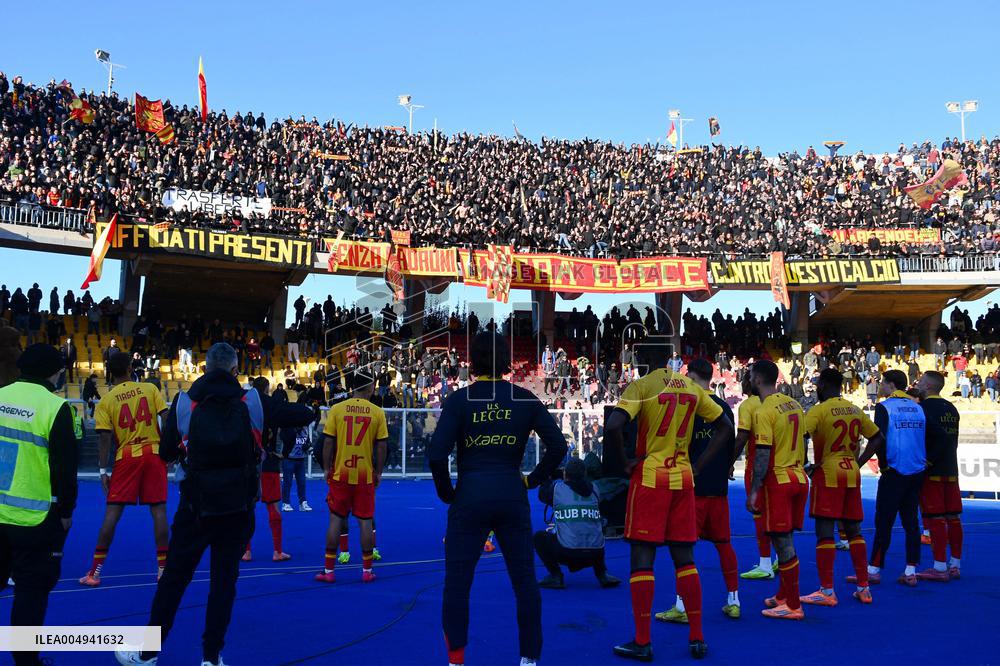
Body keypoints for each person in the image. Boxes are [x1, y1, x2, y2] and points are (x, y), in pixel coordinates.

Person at [116, 343, 264, 666]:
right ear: (236, 369)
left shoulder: (185, 403)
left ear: (205, 368)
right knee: (224, 584)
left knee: (174, 580)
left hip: (195, 507)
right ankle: (212, 657)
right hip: (237, 508)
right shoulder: (251, 401)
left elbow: (167, 452)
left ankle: (147, 653)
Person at [428, 333, 568, 666]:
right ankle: (528, 660)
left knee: (458, 584)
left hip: (471, 494)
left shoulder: (460, 400)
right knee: (524, 582)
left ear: (472, 363)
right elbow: (559, 447)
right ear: (506, 361)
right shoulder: (524, 398)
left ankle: (456, 661)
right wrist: (531, 480)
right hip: (510, 491)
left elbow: (436, 456)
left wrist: (449, 494)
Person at [606, 338, 734, 661]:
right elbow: (725, 426)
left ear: (644, 358)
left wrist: (623, 463)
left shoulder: (643, 385)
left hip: (650, 479)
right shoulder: (690, 388)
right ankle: (697, 637)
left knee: (642, 559)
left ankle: (643, 641)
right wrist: (699, 465)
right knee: (685, 559)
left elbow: (613, 425)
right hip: (683, 479)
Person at [0, 344, 80, 666]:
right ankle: (25, 662)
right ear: (53, 372)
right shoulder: (56, 408)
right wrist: (67, 512)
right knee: (30, 596)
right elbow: (64, 469)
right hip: (34, 520)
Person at [655, 357, 741, 623]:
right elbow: (730, 444)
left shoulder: (689, 405)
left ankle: (681, 606)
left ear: (691, 376)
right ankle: (734, 600)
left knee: (684, 550)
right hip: (719, 489)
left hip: (691, 488)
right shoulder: (723, 408)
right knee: (724, 544)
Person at [79, 352, 170, 587]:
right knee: (158, 510)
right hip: (154, 453)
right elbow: (167, 419)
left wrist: (102, 471)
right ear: (130, 368)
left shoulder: (107, 401)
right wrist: (170, 450)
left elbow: (105, 440)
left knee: (112, 514)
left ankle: (95, 572)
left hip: (126, 457)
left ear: (110, 371)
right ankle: (163, 568)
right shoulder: (150, 389)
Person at [800, 368, 884, 606]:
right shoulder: (855, 409)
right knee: (854, 530)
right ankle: (863, 587)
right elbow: (877, 437)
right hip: (851, 472)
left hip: (828, 473)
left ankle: (826, 591)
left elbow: (800, 435)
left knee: (825, 532)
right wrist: (860, 462)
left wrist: (806, 465)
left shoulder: (818, 411)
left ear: (824, 385)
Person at [746, 359, 808, 621]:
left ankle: (793, 605)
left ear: (758, 379)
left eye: (750, 375)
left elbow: (762, 453)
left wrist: (754, 489)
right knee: (786, 539)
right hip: (799, 477)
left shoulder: (764, 411)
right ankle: (784, 595)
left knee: (782, 544)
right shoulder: (793, 403)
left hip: (779, 482)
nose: (748, 378)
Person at [315, 371, 388, 584]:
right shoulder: (377, 412)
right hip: (364, 475)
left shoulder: (337, 409)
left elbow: (328, 442)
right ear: (371, 387)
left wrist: (327, 469)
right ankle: (367, 570)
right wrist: (379, 471)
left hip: (341, 473)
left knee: (335, 519)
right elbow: (382, 446)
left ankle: (329, 571)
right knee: (365, 520)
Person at [858, 369, 926, 587]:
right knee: (911, 523)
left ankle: (874, 570)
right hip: (916, 471)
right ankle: (911, 570)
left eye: (883, 382)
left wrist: (859, 462)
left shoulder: (884, 407)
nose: (880, 386)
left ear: (890, 385)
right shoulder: (917, 408)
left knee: (884, 521)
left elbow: (878, 438)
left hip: (894, 470)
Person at [242, 376, 313, 563]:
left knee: (247, 507)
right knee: (273, 507)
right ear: (267, 389)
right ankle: (277, 551)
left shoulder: (243, 406)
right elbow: (290, 429)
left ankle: (247, 551)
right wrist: (285, 452)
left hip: (248, 462)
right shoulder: (272, 406)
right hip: (269, 461)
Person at [534, 457, 621, 590]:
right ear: (585, 474)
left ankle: (556, 576)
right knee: (593, 529)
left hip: (567, 552)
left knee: (539, 537)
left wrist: (549, 477)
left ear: (565, 474)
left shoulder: (557, 489)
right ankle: (602, 573)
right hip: (595, 553)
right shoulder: (595, 490)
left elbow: (541, 494)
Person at [914, 371, 963, 581]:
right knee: (953, 517)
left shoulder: (923, 408)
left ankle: (940, 566)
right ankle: (955, 564)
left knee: (934, 518)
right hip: (951, 468)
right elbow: (953, 440)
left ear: (928, 386)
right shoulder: (952, 408)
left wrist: (927, 460)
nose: (918, 383)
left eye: (921, 381)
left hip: (931, 470)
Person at [732, 370, 773, 580]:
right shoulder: (781, 402)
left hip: (757, 462)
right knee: (775, 514)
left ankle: (765, 562)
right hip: (781, 466)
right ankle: (779, 558)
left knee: (758, 513)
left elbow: (742, 437)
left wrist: (728, 463)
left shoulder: (748, 405)